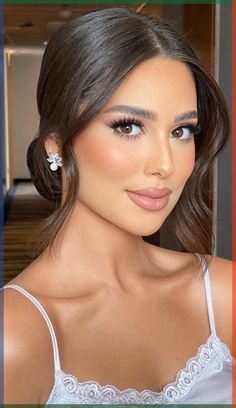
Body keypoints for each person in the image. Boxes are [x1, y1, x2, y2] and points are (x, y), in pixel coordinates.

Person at [2, 7, 232, 405]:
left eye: (181, 131)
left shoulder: (225, 292)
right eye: (128, 126)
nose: (165, 164)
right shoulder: (16, 336)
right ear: (56, 140)